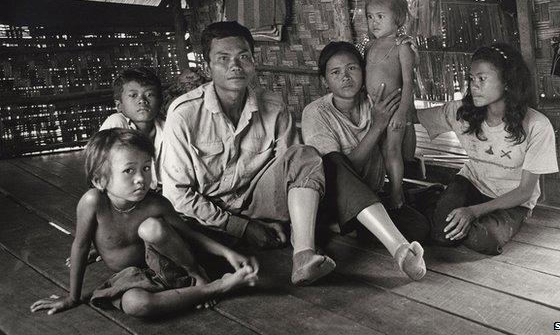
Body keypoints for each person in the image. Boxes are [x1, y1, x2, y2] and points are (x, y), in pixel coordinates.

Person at [161, 21, 336, 286]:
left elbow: (290, 173)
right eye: (223, 59)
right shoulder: (184, 114)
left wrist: (264, 220)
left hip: (257, 206)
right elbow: (177, 195)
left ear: (254, 62)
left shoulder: (274, 107)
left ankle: (303, 255)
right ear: (207, 67)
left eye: (244, 57)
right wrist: (241, 227)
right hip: (205, 221)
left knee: (304, 156)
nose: (235, 66)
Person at [31, 129, 258, 318]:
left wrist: (227, 253)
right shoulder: (93, 202)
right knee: (136, 305)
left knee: (151, 227)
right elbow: (80, 246)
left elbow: (189, 235)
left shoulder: (155, 204)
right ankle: (216, 288)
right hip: (133, 278)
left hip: (171, 265)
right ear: (100, 180)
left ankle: (199, 278)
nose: (141, 178)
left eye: (146, 168)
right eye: (129, 171)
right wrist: (72, 297)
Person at [414, 43, 559, 255]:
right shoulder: (462, 112)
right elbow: (410, 117)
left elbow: (525, 192)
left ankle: (444, 206)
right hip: (471, 183)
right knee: (442, 234)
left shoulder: (537, 126)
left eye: (482, 79)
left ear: (507, 82)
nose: (474, 86)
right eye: (471, 79)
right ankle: (434, 198)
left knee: (483, 240)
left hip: (512, 200)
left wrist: (473, 212)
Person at [302, 41, 428, 280]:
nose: (346, 77)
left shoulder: (374, 103)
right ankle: (399, 249)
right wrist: (378, 126)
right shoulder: (316, 112)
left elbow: (407, 153)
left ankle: (351, 228)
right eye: (335, 72)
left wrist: (403, 114)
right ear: (324, 80)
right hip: (331, 200)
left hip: (372, 197)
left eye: (352, 68)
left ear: (363, 71)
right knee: (334, 161)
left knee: (419, 226)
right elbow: (341, 174)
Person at [362, 0, 417, 209]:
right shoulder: (369, 46)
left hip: (394, 108)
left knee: (392, 149)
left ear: (399, 18)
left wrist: (403, 112)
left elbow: (408, 82)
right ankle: (381, 186)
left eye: (380, 16)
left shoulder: (401, 48)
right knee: (379, 149)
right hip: (374, 107)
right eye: (370, 17)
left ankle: (397, 192)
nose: (374, 22)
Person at [100, 67, 165, 188]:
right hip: (124, 194)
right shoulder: (116, 124)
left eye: (149, 94)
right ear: (119, 105)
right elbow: (100, 171)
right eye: (133, 95)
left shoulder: (167, 127)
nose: (142, 100)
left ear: (160, 101)